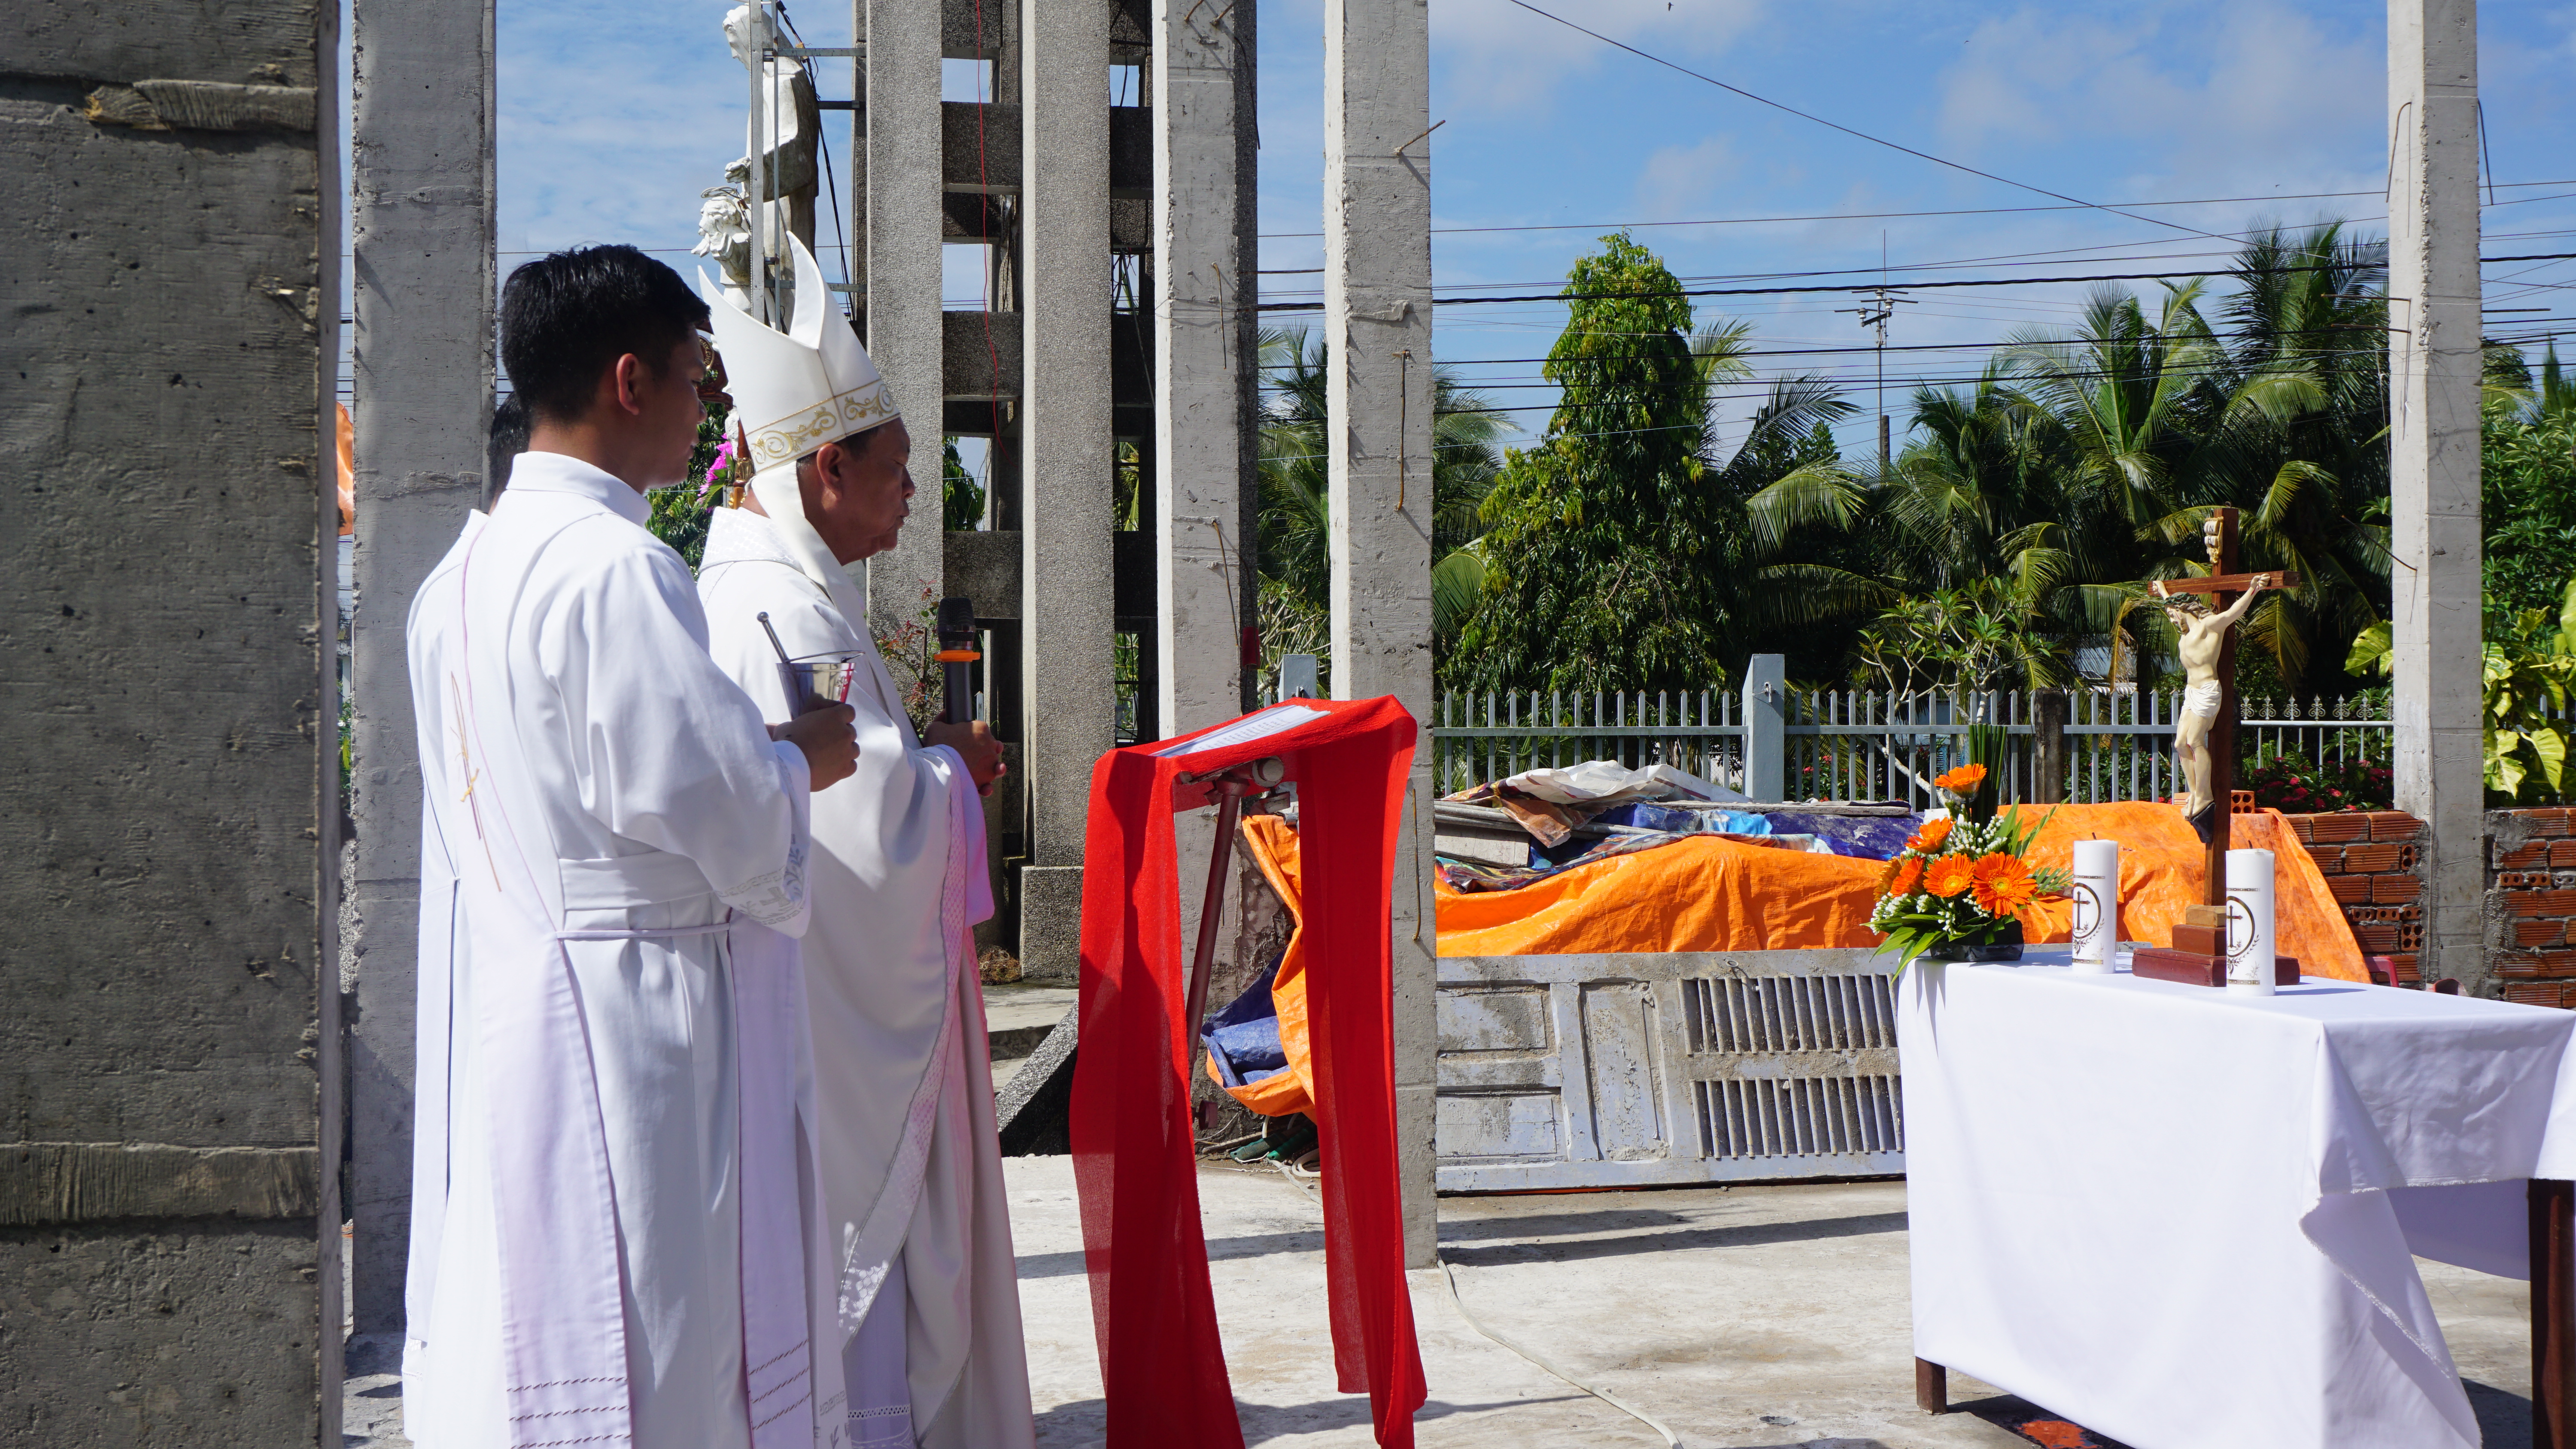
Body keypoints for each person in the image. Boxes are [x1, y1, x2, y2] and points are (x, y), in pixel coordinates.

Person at [401, 244, 860, 1449]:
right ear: (627, 382)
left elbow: (594, 781)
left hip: (516, 1005)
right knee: (657, 1344)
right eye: (699, 381)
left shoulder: (452, 578)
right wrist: (801, 757)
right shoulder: (613, 566)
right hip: (634, 1029)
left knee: (533, 1322)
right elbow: (721, 811)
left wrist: (746, 757)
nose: (708, 415)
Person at [695, 235, 1034, 1449]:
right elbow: (854, 835)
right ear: (826, 467)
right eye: (896, 473)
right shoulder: (773, 603)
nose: (912, 498)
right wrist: (956, 773)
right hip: (822, 1032)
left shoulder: (796, 585)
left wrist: (930, 766)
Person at [2151, 571, 2271, 842]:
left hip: (2207, 690)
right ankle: (2195, 792)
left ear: (2184, 610)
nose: (2171, 619)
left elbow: (2234, 614)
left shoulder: (2210, 627)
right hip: (2191, 691)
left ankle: (2205, 795)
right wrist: (2164, 593)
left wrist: (2252, 590)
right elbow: (2176, 607)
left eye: (2173, 614)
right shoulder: (2186, 633)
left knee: (2194, 741)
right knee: (2180, 744)